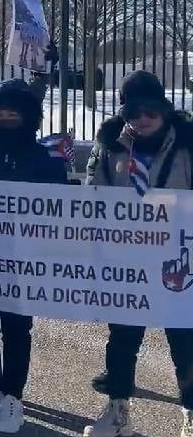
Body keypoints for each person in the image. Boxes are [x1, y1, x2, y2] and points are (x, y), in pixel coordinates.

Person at [0, 80, 69, 434]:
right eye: (0, 112)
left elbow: (60, 206)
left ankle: (13, 396)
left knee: (18, 329)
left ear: (27, 117)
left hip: (24, 261)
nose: (5, 118)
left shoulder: (43, 159)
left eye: (13, 113)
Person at [82, 71, 193, 437]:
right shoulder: (110, 143)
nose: (142, 120)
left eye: (150, 112)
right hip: (125, 261)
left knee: (186, 341)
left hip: (179, 260)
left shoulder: (187, 143)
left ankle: (191, 411)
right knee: (123, 339)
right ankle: (117, 410)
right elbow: (93, 193)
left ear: (164, 110)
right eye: (133, 113)